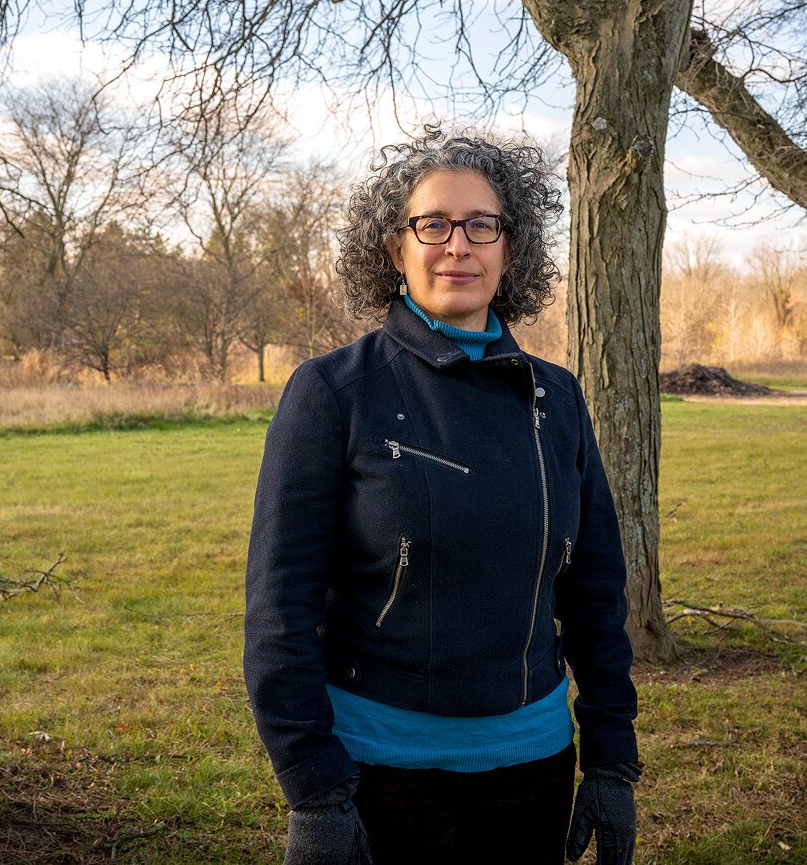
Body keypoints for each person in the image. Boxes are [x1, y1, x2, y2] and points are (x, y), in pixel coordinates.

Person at [244, 130, 642, 865]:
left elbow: (596, 590)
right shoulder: (334, 392)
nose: (458, 245)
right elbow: (279, 608)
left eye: (481, 225)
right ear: (395, 251)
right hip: (380, 775)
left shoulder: (558, 396)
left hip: (534, 769)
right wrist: (314, 790)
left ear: (510, 250)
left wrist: (612, 758)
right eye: (433, 224)